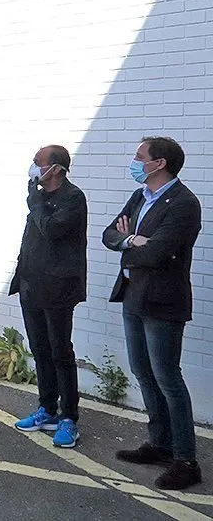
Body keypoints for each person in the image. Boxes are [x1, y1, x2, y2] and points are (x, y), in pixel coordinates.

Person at [102, 136, 202, 490]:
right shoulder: (141, 195)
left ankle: (186, 461)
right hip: (133, 295)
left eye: (139, 156)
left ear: (159, 164)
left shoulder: (184, 204)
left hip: (162, 302)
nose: (133, 160)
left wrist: (135, 245)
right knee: (143, 373)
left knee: (167, 378)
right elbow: (109, 234)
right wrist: (131, 240)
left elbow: (157, 253)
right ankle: (160, 445)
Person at [10, 145, 87, 449]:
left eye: (38, 162)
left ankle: (68, 417)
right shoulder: (40, 198)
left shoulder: (72, 198)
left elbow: (52, 229)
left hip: (58, 290)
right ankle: (47, 409)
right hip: (31, 286)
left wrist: (34, 201)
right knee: (40, 349)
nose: (33, 167)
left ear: (56, 169)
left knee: (60, 352)